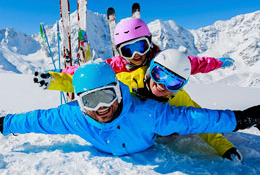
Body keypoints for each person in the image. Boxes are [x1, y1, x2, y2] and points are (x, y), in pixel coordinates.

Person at [1, 61, 259, 156]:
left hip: (150, 139)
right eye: (91, 101)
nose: (102, 108)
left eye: (107, 96)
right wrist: (4, 123)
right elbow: (37, 120)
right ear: (79, 104)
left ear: (118, 91)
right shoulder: (72, 117)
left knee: (176, 128)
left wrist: (243, 119)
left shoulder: (147, 112)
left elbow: (195, 119)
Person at [33, 18, 234, 90]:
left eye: (141, 46)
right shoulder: (117, 65)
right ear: (120, 53)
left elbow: (196, 63)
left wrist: (218, 62)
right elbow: (86, 71)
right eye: (128, 50)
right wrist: (59, 72)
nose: (137, 55)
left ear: (149, 42)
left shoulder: (163, 60)